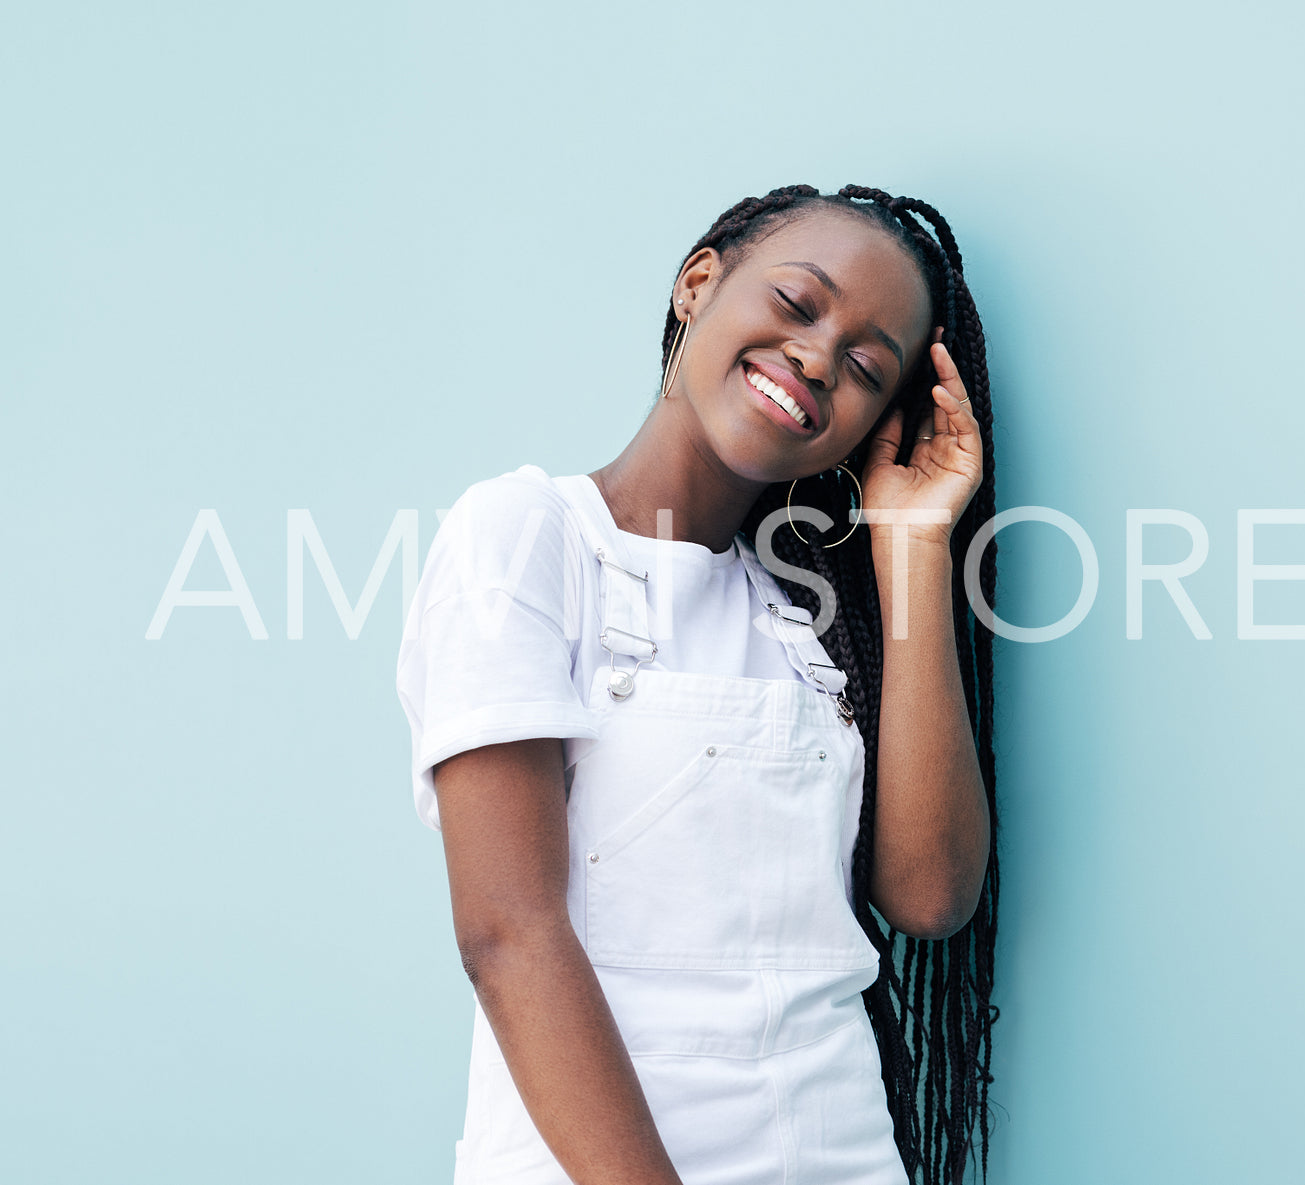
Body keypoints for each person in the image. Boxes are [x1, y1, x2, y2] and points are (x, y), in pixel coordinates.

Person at [395, 183, 1001, 1185]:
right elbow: (509, 933)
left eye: (863, 366)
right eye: (797, 305)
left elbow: (928, 895)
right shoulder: (526, 534)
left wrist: (911, 543)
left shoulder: (806, 615)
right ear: (697, 283)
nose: (815, 358)